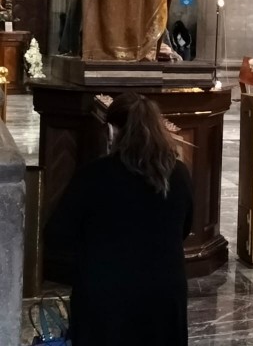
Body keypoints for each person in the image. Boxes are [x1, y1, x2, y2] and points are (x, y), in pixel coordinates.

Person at [45, 93, 193, 345]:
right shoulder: (178, 174)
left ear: (113, 131)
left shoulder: (94, 175)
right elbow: (185, 227)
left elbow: (56, 234)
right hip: (165, 293)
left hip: (106, 294)